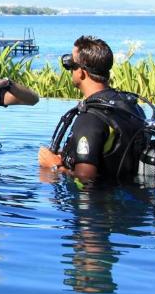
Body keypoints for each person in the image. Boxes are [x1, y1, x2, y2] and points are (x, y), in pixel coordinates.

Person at [38, 35, 149, 183]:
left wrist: (53, 165)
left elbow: (85, 177)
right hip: (129, 189)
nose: (70, 70)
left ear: (81, 72)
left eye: (71, 65)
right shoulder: (131, 106)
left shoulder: (89, 118)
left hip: (102, 196)